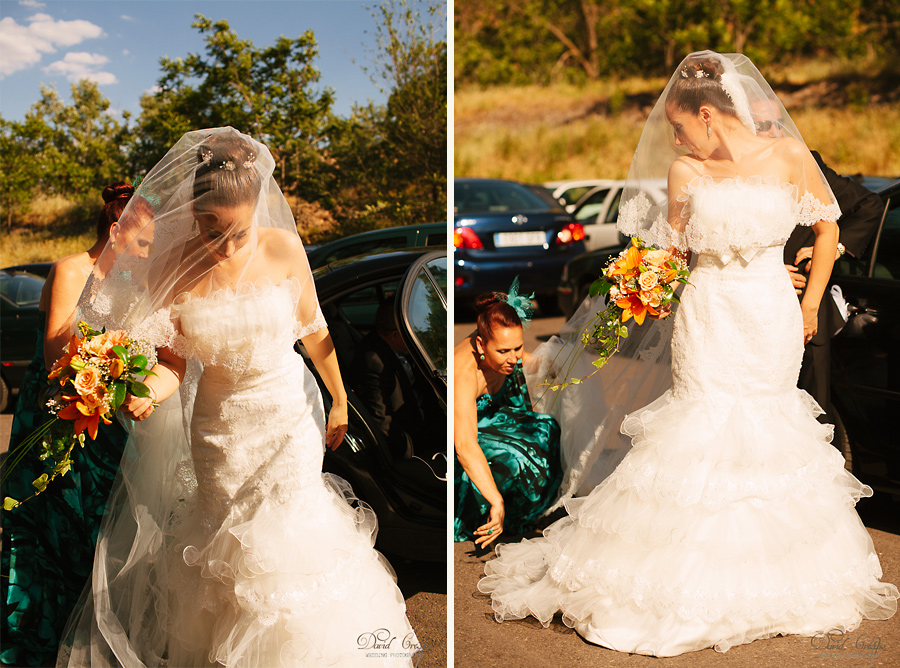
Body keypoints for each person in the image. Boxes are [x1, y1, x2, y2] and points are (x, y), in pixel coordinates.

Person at [477, 51, 898, 656]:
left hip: (768, 316)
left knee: (764, 425)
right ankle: (686, 580)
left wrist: (807, 305)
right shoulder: (685, 173)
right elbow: (674, 254)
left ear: (708, 113)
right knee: (701, 423)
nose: (673, 139)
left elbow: (828, 227)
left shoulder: (786, 155)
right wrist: (635, 282)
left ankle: (771, 578)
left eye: (678, 126)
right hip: (708, 311)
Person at [57, 128, 418, 667]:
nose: (224, 245)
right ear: (192, 214)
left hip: (286, 423)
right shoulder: (174, 266)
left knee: (291, 542)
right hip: (218, 435)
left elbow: (315, 332)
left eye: (238, 231)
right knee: (227, 557)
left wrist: (340, 399)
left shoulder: (284, 247)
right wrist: (147, 394)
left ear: (258, 208)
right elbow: (173, 365)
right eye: (210, 230)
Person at [1, 182, 153, 667]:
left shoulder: (134, 280)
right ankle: (40, 635)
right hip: (57, 407)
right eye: (145, 242)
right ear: (116, 231)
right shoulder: (72, 269)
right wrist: (105, 345)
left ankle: (92, 635)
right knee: (52, 518)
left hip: (104, 414)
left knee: (101, 523)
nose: (151, 252)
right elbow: (52, 351)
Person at [752, 98, 883, 424]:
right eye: (759, 124)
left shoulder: (804, 163)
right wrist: (760, 267)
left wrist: (833, 248)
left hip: (804, 307)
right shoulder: (725, 168)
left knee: (812, 418)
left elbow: (868, 205)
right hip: (747, 305)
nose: (770, 131)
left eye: (775, 123)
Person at [454, 288, 562, 546]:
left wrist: (558, 366)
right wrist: (496, 501)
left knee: (547, 429)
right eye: (503, 352)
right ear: (481, 344)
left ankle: (520, 510)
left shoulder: (506, 350)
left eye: (518, 347)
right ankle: (496, 511)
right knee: (519, 455)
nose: (513, 358)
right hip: (469, 427)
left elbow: (526, 360)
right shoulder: (464, 374)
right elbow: (465, 445)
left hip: (495, 412)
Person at [349, 297, 425, 459]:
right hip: (410, 441)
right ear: (396, 335)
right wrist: (411, 453)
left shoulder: (396, 349)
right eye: (414, 330)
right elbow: (381, 421)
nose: (418, 336)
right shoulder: (374, 363)